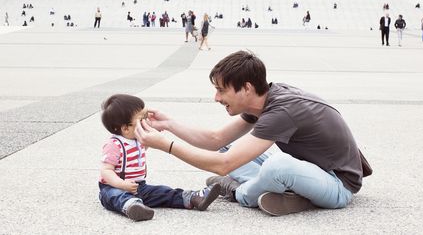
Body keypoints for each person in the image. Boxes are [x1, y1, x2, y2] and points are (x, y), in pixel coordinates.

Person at [134, 50, 371, 216]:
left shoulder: (282, 111)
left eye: (221, 90)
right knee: (228, 149)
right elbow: (216, 140)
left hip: (338, 185)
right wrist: (169, 124)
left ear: (246, 87)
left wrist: (165, 145)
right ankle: (285, 192)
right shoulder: (263, 100)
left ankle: (239, 192)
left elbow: (224, 165)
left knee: (276, 166)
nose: (216, 97)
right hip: (311, 170)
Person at [99, 94, 221, 221]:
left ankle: (192, 198)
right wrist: (122, 184)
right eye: (142, 120)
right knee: (115, 197)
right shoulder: (114, 145)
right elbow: (106, 170)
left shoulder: (136, 139)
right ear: (125, 128)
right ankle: (132, 206)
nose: (145, 122)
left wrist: (155, 132)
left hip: (139, 187)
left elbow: (145, 147)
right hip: (114, 187)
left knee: (163, 192)